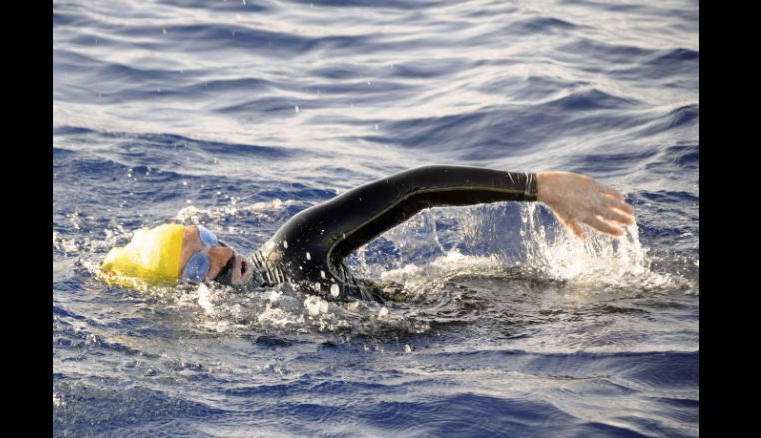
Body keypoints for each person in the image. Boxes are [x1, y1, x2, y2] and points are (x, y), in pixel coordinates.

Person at [101, 165, 634, 301]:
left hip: (491, 313)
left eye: (209, 236)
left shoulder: (293, 249)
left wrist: (537, 187)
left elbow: (414, 189)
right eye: (198, 265)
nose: (220, 252)